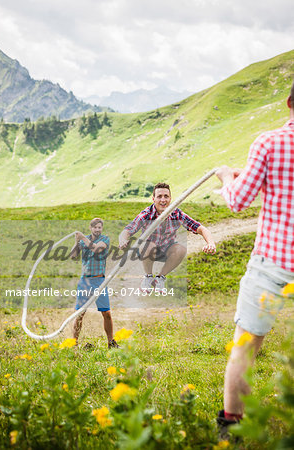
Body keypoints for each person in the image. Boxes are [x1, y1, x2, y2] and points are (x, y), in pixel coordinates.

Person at [215, 81, 294, 435]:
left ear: (290, 101)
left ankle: (231, 431)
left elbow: (237, 200)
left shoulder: (269, 143)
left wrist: (227, 178)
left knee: (244, 348)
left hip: (274, 262)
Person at [119, 182, 216, 291]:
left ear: (170, 198)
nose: (163, 200)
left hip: (166, 250)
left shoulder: (177, 214)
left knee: (181, 249)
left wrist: (210, 243)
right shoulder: (146, 214)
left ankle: (160, 278)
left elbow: (201, 228)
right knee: (149, 245)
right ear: (153, 199)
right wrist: (123, 240)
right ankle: (148, 277)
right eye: (159, 196)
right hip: (147, 250)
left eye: (166, 196)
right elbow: (128, 229)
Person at [71, 218, 119, 349]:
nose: (97, 230)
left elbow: (97, 249)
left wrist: (83, 239)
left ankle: (111, 342)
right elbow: (73, 256)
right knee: (80, 313)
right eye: (95, 227)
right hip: (85, 281)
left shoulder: (105, 239)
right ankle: (74, 344)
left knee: (106, 313)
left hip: (99, 281)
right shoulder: (83, 240)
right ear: (90, 228)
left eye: (100, 227)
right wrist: (77, 242)